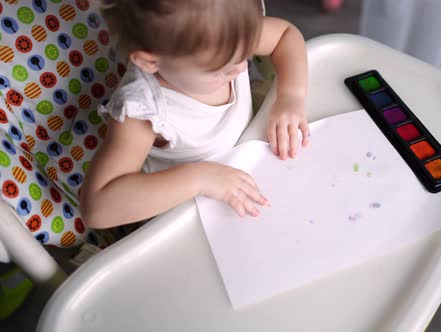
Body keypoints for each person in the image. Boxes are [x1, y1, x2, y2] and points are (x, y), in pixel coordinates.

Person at [80, 0, 310, 228]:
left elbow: (285, 35)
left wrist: (291, 95)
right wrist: (199, 179)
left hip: (254, 170)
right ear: (151, 61)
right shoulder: (144, 112)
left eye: (245, 52)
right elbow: (97, 208)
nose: (241, 67)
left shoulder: (228, 27)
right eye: (222, 68)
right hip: (190, 221)